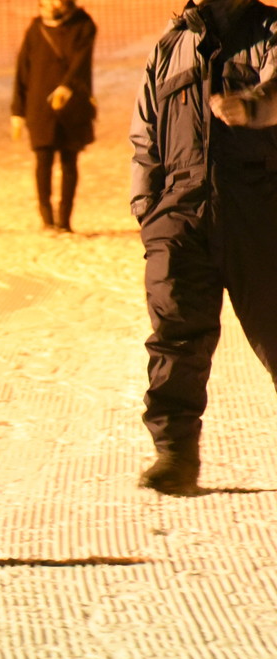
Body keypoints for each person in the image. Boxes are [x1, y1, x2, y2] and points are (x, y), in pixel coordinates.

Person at [130, 0, 277, 495]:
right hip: (179, 214)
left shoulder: (269, 31)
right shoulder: (171, 46)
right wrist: (149, 210)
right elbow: (145, 135)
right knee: (175, 335)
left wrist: (255, 106)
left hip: (259, 208)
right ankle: (175, 455)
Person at [11, 0, 97, 233]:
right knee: (43, 161)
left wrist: (67, 87)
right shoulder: (36, 28)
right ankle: (47, 219)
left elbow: (81, 62)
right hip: (39, 107)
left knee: (69, 162)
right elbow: (22, 70)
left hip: (73, 106)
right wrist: (17, 111)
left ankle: (64, 220)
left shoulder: (84, 25)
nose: (52, 3)